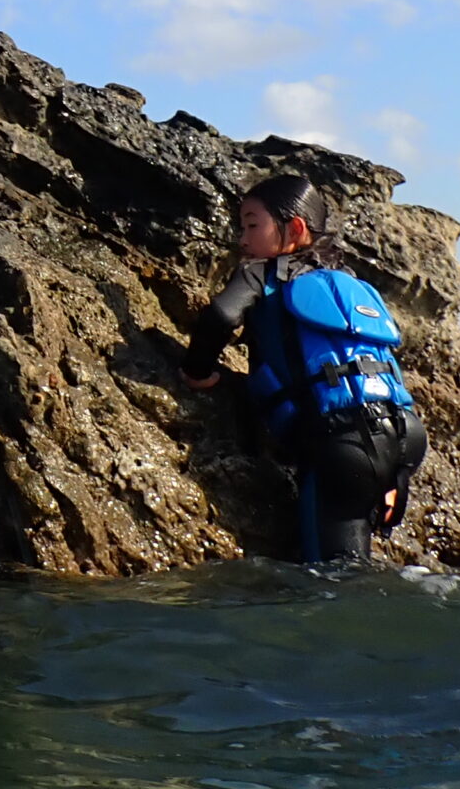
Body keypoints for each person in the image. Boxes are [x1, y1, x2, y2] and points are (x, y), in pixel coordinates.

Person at [180, 174, 428, 562]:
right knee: (354, 556)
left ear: (295, 229)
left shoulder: (262, 274)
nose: (242, 239)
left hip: (341, 444)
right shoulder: (348, 282)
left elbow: (220, 316)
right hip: (404, 435)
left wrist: (198, 371)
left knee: (333, 574)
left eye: (252, 225)